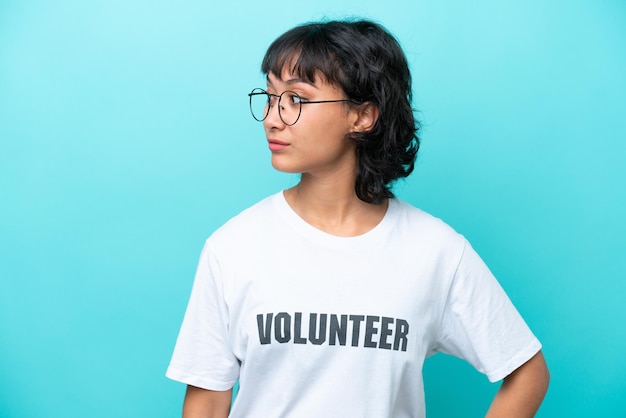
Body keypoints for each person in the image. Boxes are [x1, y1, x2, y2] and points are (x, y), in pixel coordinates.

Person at [166, 19, 549, 418]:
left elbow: (528, 372)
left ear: (362, 116)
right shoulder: (233, 247)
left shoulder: (436, 251)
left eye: (296, 99)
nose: (272, 117)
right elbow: (208, 401)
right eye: (269, 95)